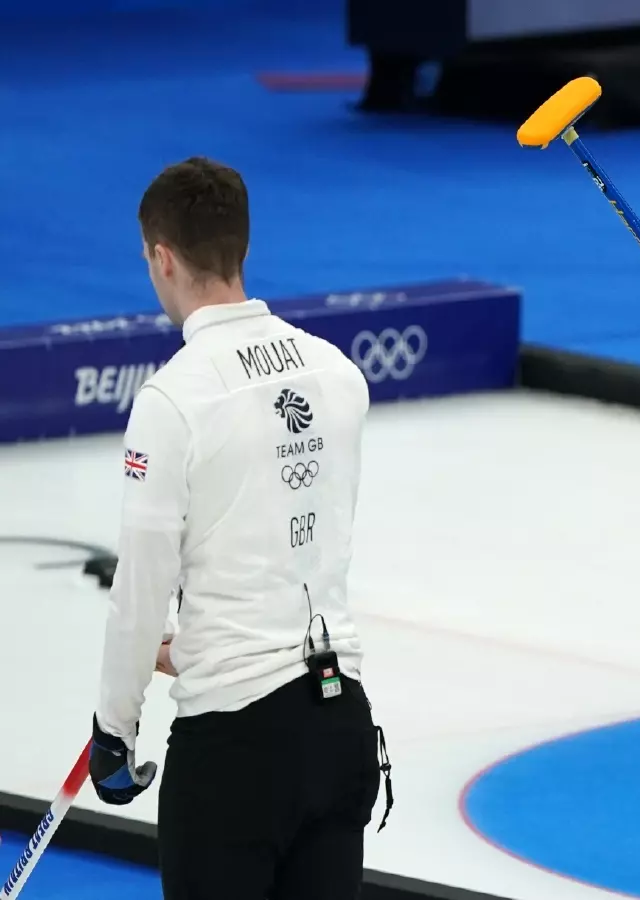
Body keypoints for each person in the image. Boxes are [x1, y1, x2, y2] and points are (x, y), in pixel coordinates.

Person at [87, 156, 392, 900]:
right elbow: (292, 539)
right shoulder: (338, 373)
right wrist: (203, 642)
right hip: (339, 721)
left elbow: (143, 583)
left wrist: (113, 728)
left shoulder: (173, 398)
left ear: (162, 257)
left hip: (234, 750)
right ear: (240, 249)